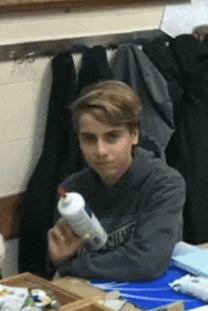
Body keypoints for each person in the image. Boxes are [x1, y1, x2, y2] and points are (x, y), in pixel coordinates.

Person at [47, 80, 186, 281]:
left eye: (112, 137)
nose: (100, 151)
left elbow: (147, 261)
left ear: (134, 135)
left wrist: (71, 266)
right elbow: (63, 264)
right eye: (89, 138)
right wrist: (58, 259)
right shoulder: (72, 189)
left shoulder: (164, 184)